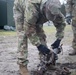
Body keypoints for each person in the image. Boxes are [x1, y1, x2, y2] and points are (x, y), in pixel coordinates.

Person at [13, 0, 66, 75]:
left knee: (41, 35)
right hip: (20, 10)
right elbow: (28, 29)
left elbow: (61, 23)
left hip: (37, 13)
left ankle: (47, 62)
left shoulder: (55, 8)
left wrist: (59, 39)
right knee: (23, 36)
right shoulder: (32, 8)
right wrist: (38, 45)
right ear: (45, 9)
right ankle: (22, 65)